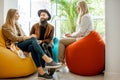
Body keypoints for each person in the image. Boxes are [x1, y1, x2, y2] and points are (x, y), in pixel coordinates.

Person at [2, 9, 60, 79]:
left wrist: (30, 38)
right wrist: (30, 37)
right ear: (12, 15)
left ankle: (41, 72)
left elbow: (23, 35)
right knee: (33, 39)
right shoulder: (5, 27)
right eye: (17, 14)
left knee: (32, 47)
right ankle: (47, 60)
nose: (19, 15)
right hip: (14, 45)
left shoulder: (17, 24)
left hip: (22, 43)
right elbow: (14, 38)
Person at [30, 9, 57, 76]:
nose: (42, 16)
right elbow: (31, 36)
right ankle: (50, 63)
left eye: (44, 15)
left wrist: (42, 41)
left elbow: (50, 38)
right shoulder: (34, 26)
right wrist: (36, 41)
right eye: (41, 15)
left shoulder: (51, 27)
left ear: (47, 17)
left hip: (46, 43)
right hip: (35, 43)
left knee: (45, 45)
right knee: (41, 46)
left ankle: (49, 65)